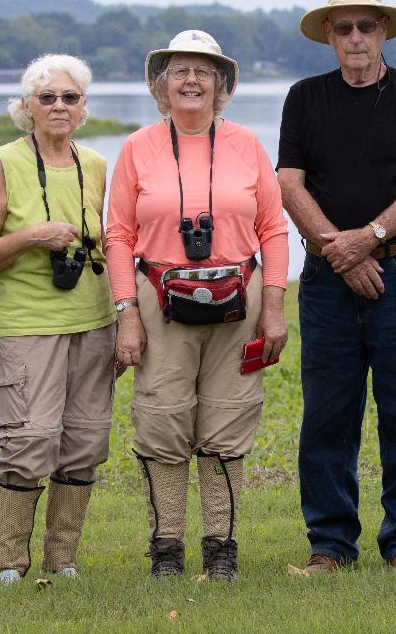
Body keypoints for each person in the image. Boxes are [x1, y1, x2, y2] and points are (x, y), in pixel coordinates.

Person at [277, 0, 396, 571]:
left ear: (383, 33)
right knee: (328, 414)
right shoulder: (305, 97)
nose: (356, 37)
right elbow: (288, 183)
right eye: (344, 26)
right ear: (329, 33)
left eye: (366, 26)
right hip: (327, 281)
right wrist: (340, 252)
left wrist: (368, 238)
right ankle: (329, 543)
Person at [105, 30, 288, 581]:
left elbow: (273, 229)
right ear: (162, 84)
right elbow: (118, 235)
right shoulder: (137, 147)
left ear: (220, 84)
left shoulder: (248, 145)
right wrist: (126, 313)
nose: (191, 81)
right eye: (180, 71)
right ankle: (166, 548)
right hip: (159, 299)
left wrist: (274, 307)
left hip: (238, 298)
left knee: (228, 417)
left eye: (203, 71)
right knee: (162, 417)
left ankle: (220, 547)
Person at [0, 54, 117, 584]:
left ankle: (62, 560)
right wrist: (34, 236)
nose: (58, 106)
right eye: (46, 97)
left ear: (83, 107)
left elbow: (109, 245)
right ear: (26, 106)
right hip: (27, 322)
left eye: (69, 97)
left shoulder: (94, 164)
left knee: (85, 442)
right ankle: (9, 563)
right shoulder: (3, 161)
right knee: (29, 441)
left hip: (94, 320)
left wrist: (125, 316)